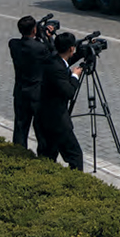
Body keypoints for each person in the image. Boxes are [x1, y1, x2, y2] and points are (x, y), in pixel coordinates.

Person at [38, 32, 84, 170]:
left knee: (48, 155)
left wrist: (80, 53)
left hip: (43, 116)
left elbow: (64, 62)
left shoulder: (52, 60)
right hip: (56, 120)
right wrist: (75, 76)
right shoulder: (57, 69)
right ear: (71, 48)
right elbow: (69, 92)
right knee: (75, 155)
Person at [9, 15, 51, 149]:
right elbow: (52, 55)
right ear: (34, 30)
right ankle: (44, 157)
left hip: (20, 92)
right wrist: (46, 36)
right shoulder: (40, 48)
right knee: (41, 130)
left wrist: (36, 33)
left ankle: (18, 153)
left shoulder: (13, 44)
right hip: (36, 94)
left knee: (20, 128)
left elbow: (28, 43)